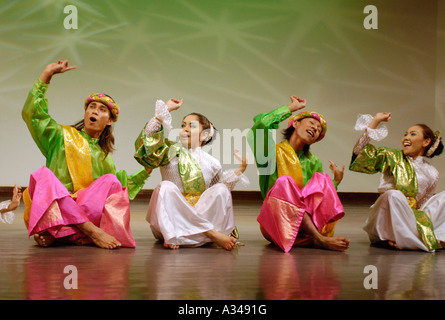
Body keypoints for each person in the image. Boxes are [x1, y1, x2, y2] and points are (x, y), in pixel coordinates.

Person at [22, 60, 152, 249]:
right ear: (85, 113)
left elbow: (118, 188)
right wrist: (47, 75)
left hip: (81, 210)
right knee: (43, 176)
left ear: (109, 121)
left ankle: (59, 233)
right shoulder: (61, 135)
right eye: (91, 107)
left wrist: (147, 170)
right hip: (54, 206)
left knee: (112, 181)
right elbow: (34, 114)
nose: (94, 111)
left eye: (101, 110)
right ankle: (89, 231)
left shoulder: (104, 156)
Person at [134, 98, 248, 250]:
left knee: (221, 189)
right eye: (182, 125)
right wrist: (164, 111)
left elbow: (217, 194)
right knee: (165, 187)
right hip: (171, 219)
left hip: (198, 213)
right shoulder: (168, 151)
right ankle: (210, 234)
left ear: (205, 135)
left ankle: (183, 236)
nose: (185, 129)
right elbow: (148, 140)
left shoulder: (213, 163)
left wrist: (240, 169)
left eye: (191, 126)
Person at [247, 96, 349, 253]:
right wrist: (291, 108)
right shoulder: (271, 152)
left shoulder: (313, 161)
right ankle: (319, 239)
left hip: (304, 225)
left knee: (322, 178)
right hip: (278, 223)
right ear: (295, 123)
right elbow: (261, 125)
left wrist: (336, 181)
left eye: (319, 130)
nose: (316, 129)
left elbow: (316, 198)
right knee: (285, 182)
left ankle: (311, 235)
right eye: (312, 123)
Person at [349, 112, 445, 252]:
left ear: (426, 142)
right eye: (405, 134)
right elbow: (359, 153)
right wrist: (375, 122)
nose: (406, 138)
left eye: (412, 134)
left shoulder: (432, 172)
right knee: (393, 195)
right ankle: (418, 240)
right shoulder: (392, 156)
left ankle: (410, 238)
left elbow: (424, 202)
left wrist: (419, 219)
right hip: (389, 216)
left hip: (412, 217)